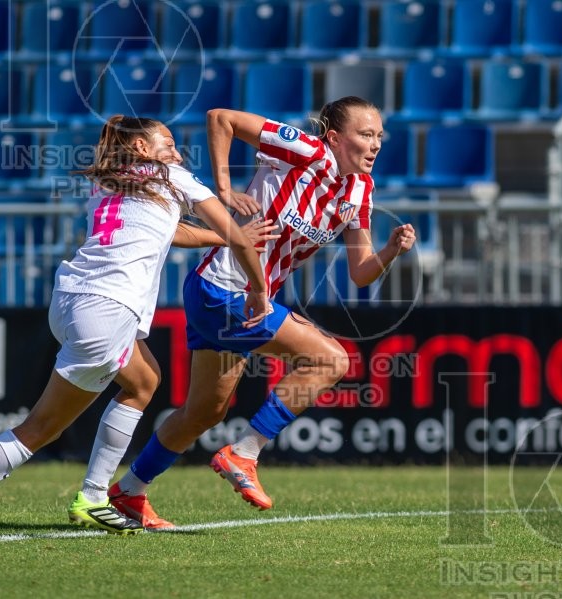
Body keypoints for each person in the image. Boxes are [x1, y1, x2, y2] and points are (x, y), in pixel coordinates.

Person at [0, 115, 271, 540]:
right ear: (141, 147)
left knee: (144, 380)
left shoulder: (108, 181)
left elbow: (170, 232)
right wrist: (258, 288)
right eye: (168, 143)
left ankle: (95, 496)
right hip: (107, 309)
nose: (177, 152)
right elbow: (236, 236)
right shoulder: (171, 176)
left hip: (72, 299)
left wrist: (224, 238)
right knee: (41, 428)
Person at [102, 96, 416, 526]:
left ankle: (129, 491)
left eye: (379, 135)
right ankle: (245, 453)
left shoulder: (360, 190)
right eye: (365, 134)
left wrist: (391, 250)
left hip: (229, 298)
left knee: (205, 412)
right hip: (223, 290)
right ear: (334, 138)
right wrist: (225, 189)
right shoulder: (304, 150)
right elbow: (220, 117)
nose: (376, 144)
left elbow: (361, 272)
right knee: (331, 359)